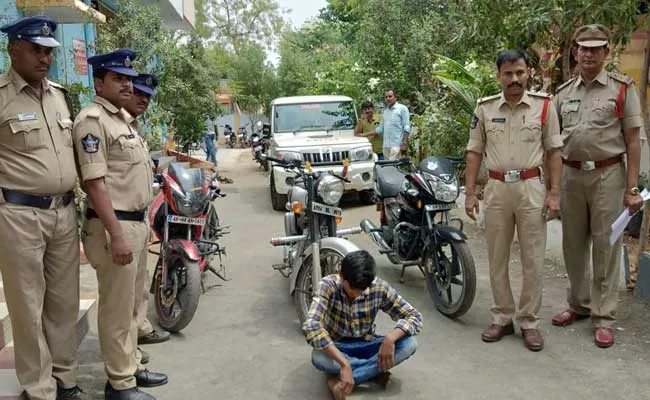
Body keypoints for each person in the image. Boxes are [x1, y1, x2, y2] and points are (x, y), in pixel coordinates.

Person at [73, 49, 168, 400]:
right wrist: (116, 234)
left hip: (136, 223)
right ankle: (120, 384)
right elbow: (95, 184)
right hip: (115, 226)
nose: (128, 84)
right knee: (116, 309)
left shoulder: (123, 120)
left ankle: (131, 367)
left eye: (129, 78)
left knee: (133, 304)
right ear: (99, 82)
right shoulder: (92, 121)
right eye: (118, 78)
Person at [0, 15, 86, 400]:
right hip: (19, 216)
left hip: (64, 212)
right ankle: (39, 388)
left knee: (65, 301)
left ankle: (64, 379)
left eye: (49, 51)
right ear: (12, 48)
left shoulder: (59, 95)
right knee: (28, 305)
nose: (44, 58)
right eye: (36, 49)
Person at [550, 24, 644, 348]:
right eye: (583, 48)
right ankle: (578, 303)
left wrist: (632, 188)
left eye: (595, 48)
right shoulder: (563, 94)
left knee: (606, 246)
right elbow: (552, 143)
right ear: (575, 51)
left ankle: (604, 317)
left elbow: (633, 141)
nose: (588, 54)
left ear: (606, 52)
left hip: (608, 176)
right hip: (571, 176)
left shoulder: (622, 89)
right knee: (573, 245)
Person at [465, 49, 563, 352]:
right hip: (496, 189)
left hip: (531, 187)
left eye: (520, 72)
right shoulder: (484, 109)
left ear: (528, 73)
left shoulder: (544, 107)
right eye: (508, 74)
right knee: (497, 258)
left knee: (533, 259)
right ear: (498, 76)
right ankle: (503, 317)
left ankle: (529, 322)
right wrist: (470, 192)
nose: (514, 79)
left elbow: (555, 152)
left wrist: (554, 193)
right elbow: (474, 152)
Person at [302, 250, 422, 400]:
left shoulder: (378, 287)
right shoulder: (327, 286)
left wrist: (390, 338)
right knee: (318, 357)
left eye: (362, 290)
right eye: (352, 289)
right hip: (338, 346)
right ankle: (373, 371)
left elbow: (414, 316)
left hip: (367, 342)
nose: (357, 294)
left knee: (409, 344)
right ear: (341, 276)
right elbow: (311, 326)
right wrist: (344, 363)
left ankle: (341, 381)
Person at [122, 73, 171, 362]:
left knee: (139, 287)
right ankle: (125, 361)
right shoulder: (102, 123)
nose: (142, 100)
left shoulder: (133, 126)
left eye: (147, 97)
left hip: (138, 217)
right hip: (119, 220)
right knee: (122, 297)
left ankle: (138, 330)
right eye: (137, 93)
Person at [365, 88, 411, 160]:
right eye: (386, 97)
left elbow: (407, 127)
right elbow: (380, 129)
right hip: (386, 146)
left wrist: (404, 142)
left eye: (390, 96)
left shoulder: (402, 109)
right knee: (388, 169)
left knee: (394, 168)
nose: (388, 99)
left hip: (396, 146)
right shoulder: (385, 112)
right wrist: (364, 135)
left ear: (395, 97)